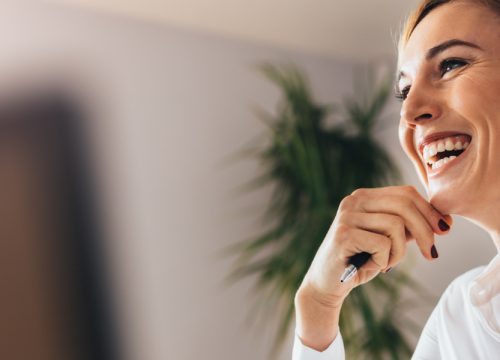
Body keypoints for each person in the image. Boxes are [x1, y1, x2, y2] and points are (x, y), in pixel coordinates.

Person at [292, 0, 500, 359]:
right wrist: (317, 305)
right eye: (403, 91)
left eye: (451, 64)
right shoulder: (458, 318)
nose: (409, 111)